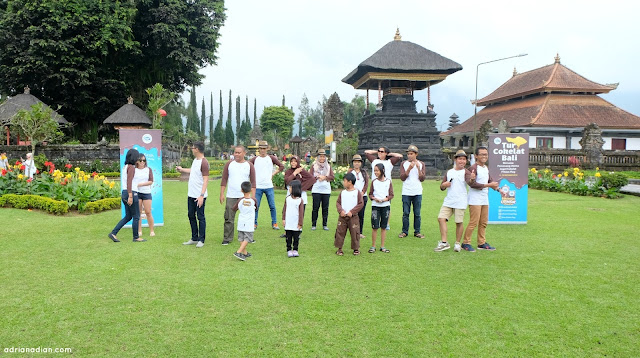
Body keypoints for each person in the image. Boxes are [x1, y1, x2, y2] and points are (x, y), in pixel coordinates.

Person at [463, 146, 500, 251]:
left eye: (486, 154)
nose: (484, 156)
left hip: (484, 198)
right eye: (482, 154)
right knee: (474, 222)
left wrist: (499, 190)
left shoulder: (485, 168)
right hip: (475, 198)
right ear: (476, 156)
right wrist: (489, 185)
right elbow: (472, 184)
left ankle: (481, 242)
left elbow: (490, 181)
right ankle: (466, 242)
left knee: (483, 222)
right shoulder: (473, 168)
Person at [220, 146, 256, 245]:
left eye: (239, 152)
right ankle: (227, 238)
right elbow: (224, 180)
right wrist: (222, 194)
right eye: (235, 152)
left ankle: (248, 237)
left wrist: (253, 196)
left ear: (244, 153)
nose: (236, 154)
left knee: (247, 217)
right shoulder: (229, 164)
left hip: (245, 196)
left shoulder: (249, 165)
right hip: (231, 195)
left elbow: (253, 182)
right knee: (229, 217)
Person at [434, 150, 469, 252]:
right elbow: (442, 186)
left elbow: (471, 183)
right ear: (455, 160)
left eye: (464, 159)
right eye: (460, 159)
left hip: (460, 201)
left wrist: (471, 179)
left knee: (459, 222)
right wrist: (444, 185)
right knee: (441, 218)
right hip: (449, 200)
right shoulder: (449, 172)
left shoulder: (466, 172)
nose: (462, 161)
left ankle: (457, 243)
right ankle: (444, 242)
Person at [108, 148, 144, 242]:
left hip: (125, 193)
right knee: (136, 216)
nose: (138, 159)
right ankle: (136, 237)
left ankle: (113, 233)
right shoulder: (131, 168)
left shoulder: (125, 167)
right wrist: (131, 196)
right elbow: (129, 182)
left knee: (128, 216)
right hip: (131, 193)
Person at [177, 142, 209, 248]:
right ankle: (194, 237)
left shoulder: (204, 162)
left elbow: (205, 180)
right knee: (191, 215)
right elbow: (193, 171)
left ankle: (201, 239)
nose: (191, 149)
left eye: (193, 148)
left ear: (197, 149)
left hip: (199, 195)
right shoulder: (195, 161)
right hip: (191, 194)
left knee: (200, 217)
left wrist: (201, 195)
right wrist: (182, 170)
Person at [364, 146, 403, 230]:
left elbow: (400, 156)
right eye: (379, 151)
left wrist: (390, 154)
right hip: (376, 185)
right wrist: (376, 152)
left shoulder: (389, 162)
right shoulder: (375, 160)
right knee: (376, 204)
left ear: (386, 153)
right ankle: (376, 222)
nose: (380, 153)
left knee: (387, 205)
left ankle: (387, 223)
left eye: (382, 152)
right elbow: (366, 152)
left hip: (386, 185)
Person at [249, 140, 284, 230]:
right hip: (258, 187)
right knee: (256, 206)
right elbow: (247, 166)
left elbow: (281, 166)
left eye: (264, 148)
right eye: (261, 148)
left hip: (269, 186)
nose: (262, 150)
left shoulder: (271, 158)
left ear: (267, 149)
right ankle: (254, 223)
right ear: (259, 149)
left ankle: (275, 223)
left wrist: (273, 173)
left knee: (272, 206)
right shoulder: (255, 159)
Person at [398, 145, 426, 239]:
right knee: (406, 213)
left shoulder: (421, 164)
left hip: (417, 191)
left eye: (411, 154)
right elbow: (402, 177)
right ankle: (405, 231)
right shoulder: (404, 164)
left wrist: (418, 168)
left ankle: (417, 231)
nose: (409, 156)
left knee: (417, 213)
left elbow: (422, 179)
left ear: (416, 154)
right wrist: (409, 168)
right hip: (406, 191)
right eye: (408, 154)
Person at [334, 172, 364, 256]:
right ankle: (339, 249)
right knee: (340, 232)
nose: (343, 182)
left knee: (355, 232)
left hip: (353, 217)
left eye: (345, 181)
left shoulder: (357, 192)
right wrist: (341, 211)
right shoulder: (342, 192)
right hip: (342, 217)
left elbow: (360, 203)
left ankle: (356, 249)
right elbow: (338, 203)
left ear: (350, 182)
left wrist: (352, 212)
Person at [368, 163, 394, 253]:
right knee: (375, 227)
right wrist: (374, 198)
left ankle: (382, 246)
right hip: (375, 206)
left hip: (385, 206)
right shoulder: (374, 182)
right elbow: (370, 194)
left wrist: (385, 199)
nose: (375, 172)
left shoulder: (388, 181)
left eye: (377, 170)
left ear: (382, 171)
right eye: (374, 171)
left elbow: (391, 194)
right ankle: (373, 246)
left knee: (384, 226)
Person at [310, 148, 334, 231]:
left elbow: (332, 177)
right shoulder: (314, 166)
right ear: (318, 157)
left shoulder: (328, 166)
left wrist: (325, 177)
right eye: (320, 156)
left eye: (323, 157)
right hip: (316, 189)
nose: (322, 158)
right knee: (315, 207)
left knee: (325, 208)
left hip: (326, 190)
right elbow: (310, 177)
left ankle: (325, 224)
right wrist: (317, 177)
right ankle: (314, 224)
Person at [232, 181, 257, 261]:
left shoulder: (240, 200)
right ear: (251, 190)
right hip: (249, 222)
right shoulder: (253, 200)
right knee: (248, 238)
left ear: (241, 190)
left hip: (241, 221)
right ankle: (238, 252)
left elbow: (234, 208)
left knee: (241, 238)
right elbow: (257, 207)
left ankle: (245, 253)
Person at [348, 154, 369, 239]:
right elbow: (347, 183)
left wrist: (363, 192)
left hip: (362, 196)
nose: (357, 164)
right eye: (355, 162)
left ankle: (359, 232)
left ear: (361, 163)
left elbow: (366, 183)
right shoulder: (350, 172)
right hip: (352, 196)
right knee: (352, 214)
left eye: (358, 162)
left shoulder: (364, 172)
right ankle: (352, 231)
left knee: (361, 215)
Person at [134, 154, 155, 238]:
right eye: (140, 160)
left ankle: (152, 230)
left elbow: (151, 181)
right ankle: (139, 230)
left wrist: (141, 184)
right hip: (137, 193)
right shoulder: (134, 170)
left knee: (148, 212)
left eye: (144, 160)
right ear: (137, 161)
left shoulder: (148, 170)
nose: (142, 162)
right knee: (138, 213)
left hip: (146, 193)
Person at [282, 180, 304, 257]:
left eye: (290, 187)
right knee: (288, 237)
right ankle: (289, 249)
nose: (289, 189)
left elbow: (301, 213)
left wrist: (300, 223)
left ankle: (295, 249)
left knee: (296, 237)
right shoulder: (287, 198)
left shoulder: (300, 200)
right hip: (288, 221)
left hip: (296, 222)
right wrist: (283, 219)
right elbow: (284, 209)